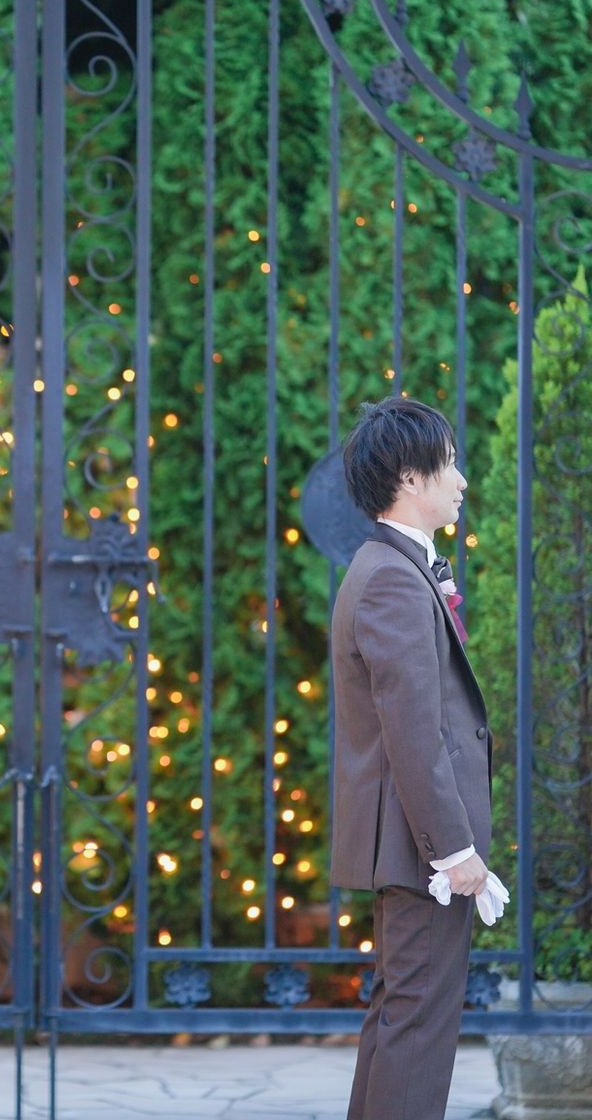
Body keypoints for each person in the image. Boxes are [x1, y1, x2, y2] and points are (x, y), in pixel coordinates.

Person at [330, 396, 495, 1120]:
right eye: (448, 463)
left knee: (403, 1016)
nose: (461, 480)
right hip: (421, 850)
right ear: (408, 477)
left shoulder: (392, 567)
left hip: (409, 844)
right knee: (418, 1026)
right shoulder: (393, 577)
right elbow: (413, 731)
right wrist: (453, 851)